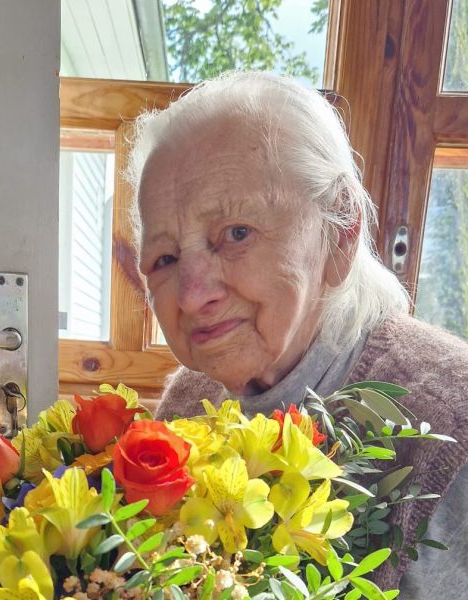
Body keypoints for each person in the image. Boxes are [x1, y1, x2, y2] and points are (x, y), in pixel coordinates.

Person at [125, 71, 468, 594]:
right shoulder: (188, 401)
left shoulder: (452, 422)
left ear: (341, 228)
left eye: (236, 233)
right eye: (165, 258)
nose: (192, 296)